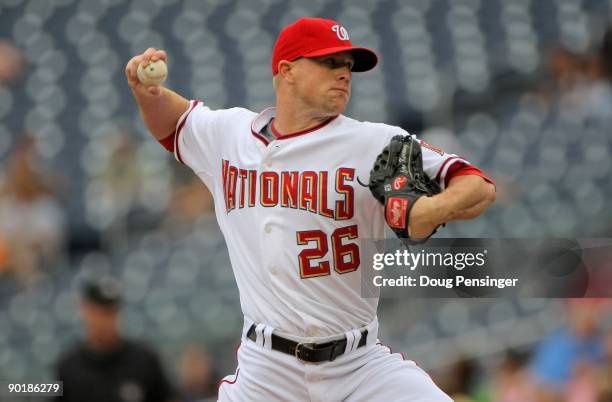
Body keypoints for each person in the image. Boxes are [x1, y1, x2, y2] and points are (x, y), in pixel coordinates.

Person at [126, 17, 495, 401]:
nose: (344, 74)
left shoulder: (374, 143)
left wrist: (431, 209)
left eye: (348, 66)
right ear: (287, 70)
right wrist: (146, 91)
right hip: (266, 372)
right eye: (329, 63)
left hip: (359, 366)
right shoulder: (230, 135)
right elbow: (174, 122)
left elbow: (477, 185)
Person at [53, 277, 177, 402]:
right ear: (85, 311)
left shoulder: (145, 360)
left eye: (111, 312)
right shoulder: (67, 366)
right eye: (100, 312)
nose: (106, 321)